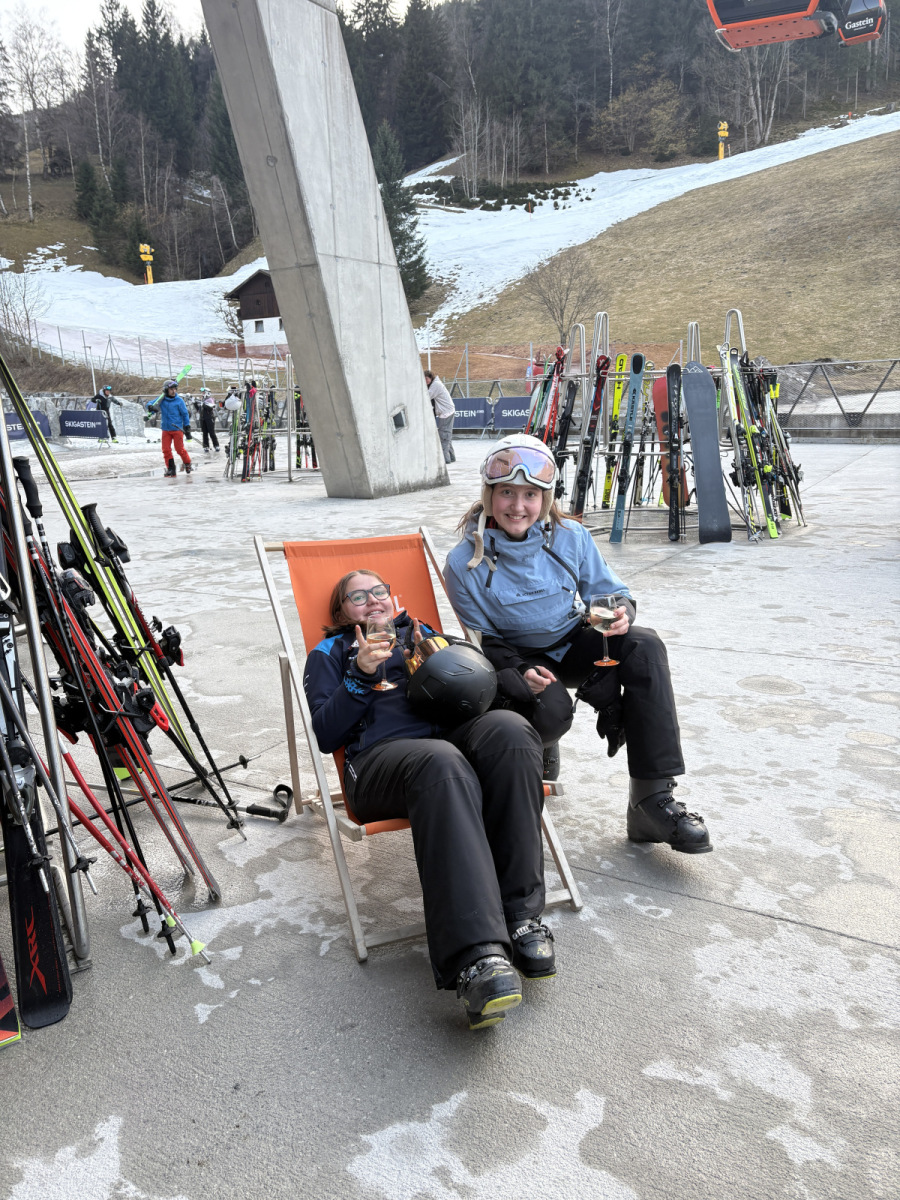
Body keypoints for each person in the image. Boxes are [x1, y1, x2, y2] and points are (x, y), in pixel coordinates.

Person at [302, 569, 556, 1029]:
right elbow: (325, 733)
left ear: (393, 597)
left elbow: (481, 689)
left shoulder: (424, 633)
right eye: (357, 597)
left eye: (378, 591)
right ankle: (476, 957)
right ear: (342, 612)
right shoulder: (330, 652)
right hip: (379, 764)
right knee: (441, 762)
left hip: (448, 744)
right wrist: (361, 673)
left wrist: (447, 661)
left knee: (512, 732)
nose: (372, 600)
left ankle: (520, 916)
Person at [443, 434, 712, 855]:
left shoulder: (571, 536)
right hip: (519, 656)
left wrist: (620, 613)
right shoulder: (464, 562)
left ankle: (651, 798)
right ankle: (543, 743)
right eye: (507, 492)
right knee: (550, 715)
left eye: (530, 495)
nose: (518, 506)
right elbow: (482, 640)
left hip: (572, 639)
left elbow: (608, 593)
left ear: (546, 498)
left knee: (644, 645)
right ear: (489, 494)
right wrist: (518, 671)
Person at [153, 379, 193, 477]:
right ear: (166, 390)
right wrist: (151, 407)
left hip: (177, 429)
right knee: (166, 450)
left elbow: (185, 414)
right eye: (171, 389)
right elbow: (151, 404)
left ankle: (187, 463)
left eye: (175, 389)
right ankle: (171, 469)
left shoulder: (179, 401)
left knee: (179, 449)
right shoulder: (162, 399)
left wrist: (187, 426)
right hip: (166, 429)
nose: (173, 391)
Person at [424, 370, 455, 464]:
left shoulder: (435, 385)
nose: (425, 381)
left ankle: (445, 459)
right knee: (447, 434)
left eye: (426, 378)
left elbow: (427, 396)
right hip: (447, 411)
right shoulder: (435, 384)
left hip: (446, 412)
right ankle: (452, 457)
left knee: (444, 436)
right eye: (424, 379)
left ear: (431, 377)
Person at [198, 387, 220, 453]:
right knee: (204, 433)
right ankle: (206, 446)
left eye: (203, 392)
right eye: (202, 392)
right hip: (203, 418)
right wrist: (196, 404)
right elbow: (199, 410)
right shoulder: (202, 400)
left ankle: (216, 445)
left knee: (211, 432)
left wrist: (204, 404)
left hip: (209, 418)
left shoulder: (210, 400)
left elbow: (210, 408)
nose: (202, 393)